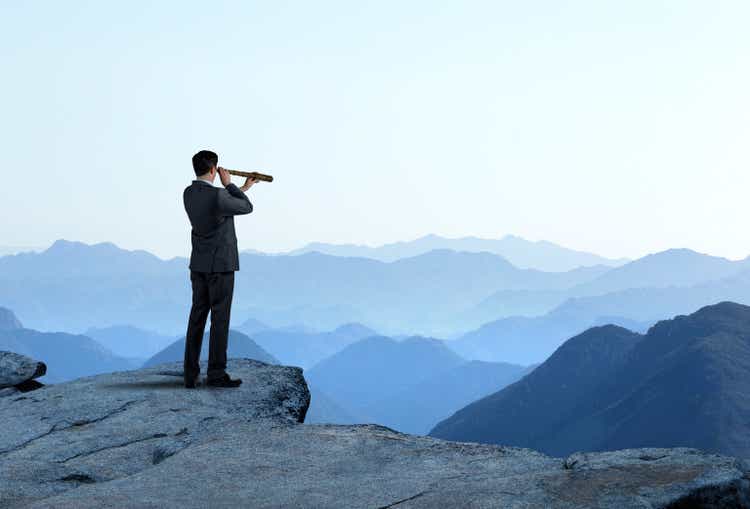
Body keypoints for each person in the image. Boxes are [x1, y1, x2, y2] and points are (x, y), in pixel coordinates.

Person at [182, 150, 257, 389]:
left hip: (199, 265)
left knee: (197, 317)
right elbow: (246, 207)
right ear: (214, 169)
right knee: (220, 319)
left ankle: (190, 373)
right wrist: (231, 185)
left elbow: (220, 204)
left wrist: (242, 188)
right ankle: (216, 373)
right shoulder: (219, 195)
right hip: (221, 266)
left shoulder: (188, 194)